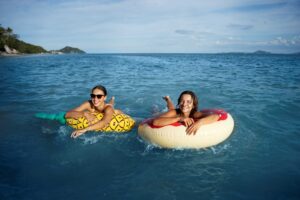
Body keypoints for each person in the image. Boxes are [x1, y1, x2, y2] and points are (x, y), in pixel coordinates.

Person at [153, 91, 220, 135]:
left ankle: (168, 99)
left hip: (174, 111)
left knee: (171, 109)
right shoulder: (175, 112)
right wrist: (178, 118)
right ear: (179, 102)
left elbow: (215, 116)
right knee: (157, 113)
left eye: (188, 102)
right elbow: (155, 122)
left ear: (193, 105)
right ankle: (167, 100)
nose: (184, 104)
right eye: (182, 101)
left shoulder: (194, 114)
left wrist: (200, 122)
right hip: (172, 114)